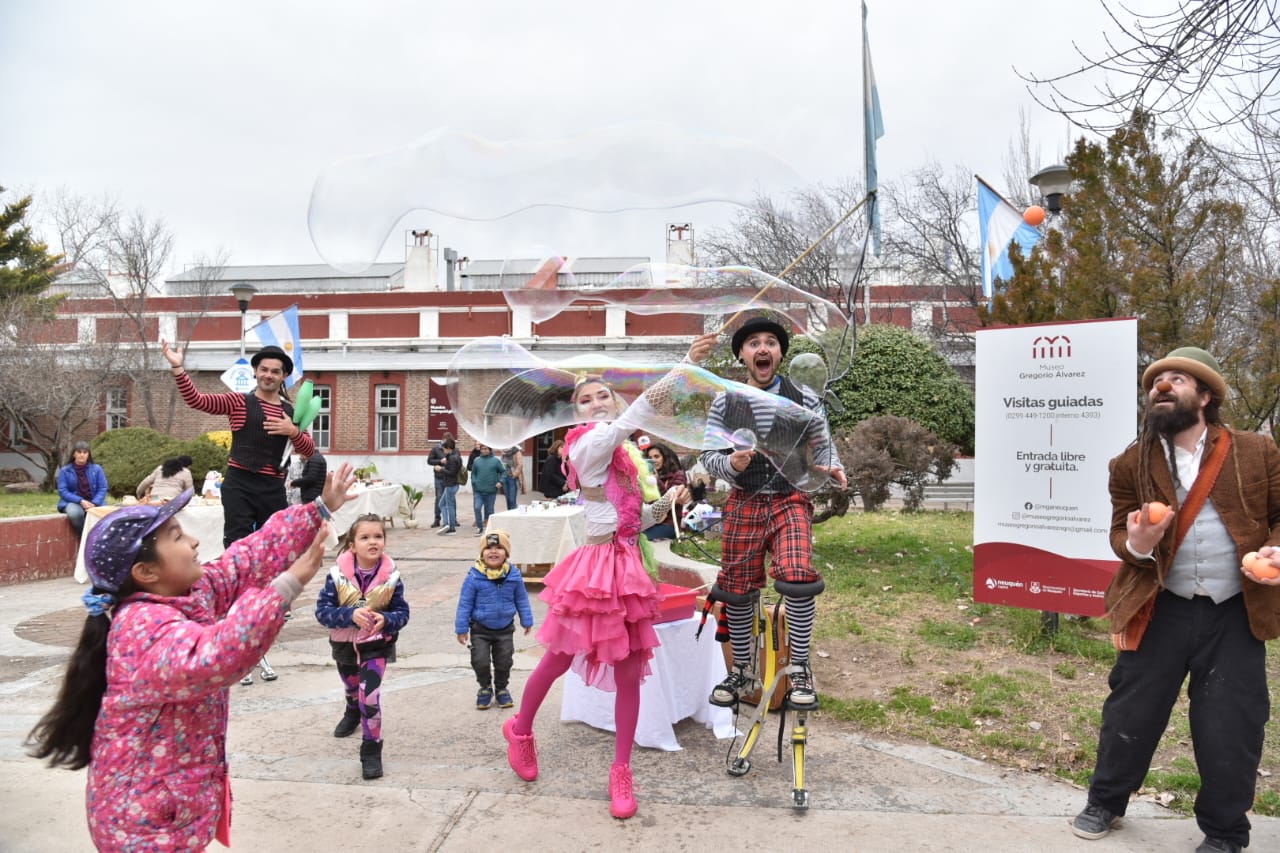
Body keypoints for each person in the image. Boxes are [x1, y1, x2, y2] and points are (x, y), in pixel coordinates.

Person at [27, 464, 356, 851]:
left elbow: (248, 557)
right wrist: (287, 585)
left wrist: (317, 509)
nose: (195, 541)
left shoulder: (191, 592)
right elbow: (213, 658)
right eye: (177, 536)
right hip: (141, 823)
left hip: (175, 803)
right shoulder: (140, 627)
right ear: (146, 571)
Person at [1070, 347, 1280, 853]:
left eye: (1177, 379)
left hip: (1235, 610)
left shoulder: (1258, 451)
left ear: (1205, 396)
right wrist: (1140, 542)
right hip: (1160, 605)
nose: (1161, 387)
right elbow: (1122, 532)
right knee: (1130, 712)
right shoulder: (1129, 462)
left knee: (1232, 723)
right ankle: (1106, 801)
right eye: (1155, 381)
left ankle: (1226, 832)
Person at [500, 333, 716, 820]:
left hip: (629, 569)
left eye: (603, 396)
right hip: (596, 570)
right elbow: (636, 417)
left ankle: (621, 771)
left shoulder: (623, 457)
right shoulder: (590, 446)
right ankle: (521, 728)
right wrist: (683, 366)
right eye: (585, 399)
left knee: (629, 673)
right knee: (557, 659)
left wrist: (670, 501)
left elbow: (632, 517)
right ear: (575, 413)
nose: (596, 403)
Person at [688, 316, 846, 709]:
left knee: (797, 575)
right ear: (742, 354)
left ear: (779, 354)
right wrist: (731, 466)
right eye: (753, 343)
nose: (763, 348)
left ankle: (802, 669)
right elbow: (709, 455)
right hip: (745, 499)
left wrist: (832, 465)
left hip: (790, 498)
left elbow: (822, 443)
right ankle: (742, 670)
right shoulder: (728, 400)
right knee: (737, 588)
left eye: (771, 343)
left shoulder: (804, 397)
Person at [162, 340, 315, 547]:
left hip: (273, 487)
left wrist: (293, 431)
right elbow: (196, 400)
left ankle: (266, 581)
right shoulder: (238, 402)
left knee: (272, 545)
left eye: (275, 372)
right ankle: (238, 579)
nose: (268, 375)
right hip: (240, 484)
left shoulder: (290, 413)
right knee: (237, 543)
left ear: (284, 376)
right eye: (264, 370)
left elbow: (309, 450)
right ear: (255, 371)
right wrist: (177, 367)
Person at [314, 513, 411, 780]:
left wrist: (387, 619)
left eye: (378, 536)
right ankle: (351, 710)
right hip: (344, 644)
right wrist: (348, 616)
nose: (373, 542)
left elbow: (403, 613)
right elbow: (322, 612)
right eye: (365, 537)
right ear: (352, 545)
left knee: (369, 696)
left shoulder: (392, 577)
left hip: (376, 645)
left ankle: (371, 750)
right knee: (352, 687)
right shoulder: (336, 576)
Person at [455, 528, 534, 710]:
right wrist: (461, 629)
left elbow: (521, 598)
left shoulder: (513, 576)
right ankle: (484, 688)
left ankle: (501, 688)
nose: (493, 551)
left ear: (506, 553)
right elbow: (465, 603)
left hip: (505, 629)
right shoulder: (474, 576)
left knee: (504, 661)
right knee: (480, 660)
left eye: (499, 547)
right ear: (482, 553)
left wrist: (526, 620)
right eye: (489, 548)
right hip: (480, 629)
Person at [56, 441, 108, 536]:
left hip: (93, 501)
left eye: (85, 452)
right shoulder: (65, 470)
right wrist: (80, 501)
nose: (82, 455)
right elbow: (63, 491)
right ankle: (85, 537)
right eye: (79, 452)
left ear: (88, 454)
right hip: (73, 502)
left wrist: (95, 502)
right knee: (75, 514)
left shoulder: (96, 469)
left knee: (105, 514)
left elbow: (102, 487)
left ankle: (101, 539)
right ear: (74, 454)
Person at [642, 441, 688, 541]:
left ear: (665, 458)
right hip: (649, 522)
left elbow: (671, 500)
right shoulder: (647, 478)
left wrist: (656, 481)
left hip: (669, 524)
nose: (653, 460)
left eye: (656, 456)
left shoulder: (678, 474)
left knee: (643, 539)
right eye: (650, 458)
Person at [470, 444, 506, 534]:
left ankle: (490, 529)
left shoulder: (496, 461)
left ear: (490, 450)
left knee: (490, 510)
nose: (484, 451)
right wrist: (474, 481)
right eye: (482, 449)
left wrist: (500, 482)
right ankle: (479, 527)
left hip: (491, 490)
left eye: (486, 449)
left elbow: (503, 472)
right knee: (477, 507)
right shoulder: (477, 460)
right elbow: (473, 473)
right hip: (478, 490)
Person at [434, 437, 462, 535]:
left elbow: (452, 472)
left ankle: (452, 527)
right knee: (441, 504)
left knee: (449, 505)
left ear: (449, 448)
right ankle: (447, 524)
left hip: (451, 484)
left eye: (445, 449)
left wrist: (441, 469)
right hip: (450, 484)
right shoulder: (453, 456)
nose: (444, 450)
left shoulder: (453, 458)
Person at [427, 434, 454, 527]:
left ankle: (453, 519)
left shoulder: (453, 449)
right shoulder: (436, 449)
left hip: (450, 478)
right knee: (439, 497)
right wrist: (440, 461)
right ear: (443, 439)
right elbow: (429, 461)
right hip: (439, 477)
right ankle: (437, 519)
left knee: (451, 498)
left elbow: (457, 461)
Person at [500, 446, 526, 510]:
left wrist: (514, 474)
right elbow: (502, 464)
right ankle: (509, 513)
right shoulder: (503, 452)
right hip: (504, 477)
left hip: (512, 478)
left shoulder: (517, 452)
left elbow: (520, 465)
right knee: (508, 498)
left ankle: (513, 513)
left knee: (512, 499)